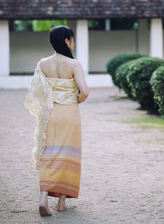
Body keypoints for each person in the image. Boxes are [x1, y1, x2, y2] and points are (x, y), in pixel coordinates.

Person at [24, 25, 89, 216]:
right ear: (67, 41)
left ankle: (44, 196)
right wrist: (73, 100)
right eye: (72, 39)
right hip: (70, 114)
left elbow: (36, 92)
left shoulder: (43, 63)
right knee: (69, 153)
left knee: (49, 153)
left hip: (51, 114)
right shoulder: (74, 64)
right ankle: (61, 203)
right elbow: (85, 92)